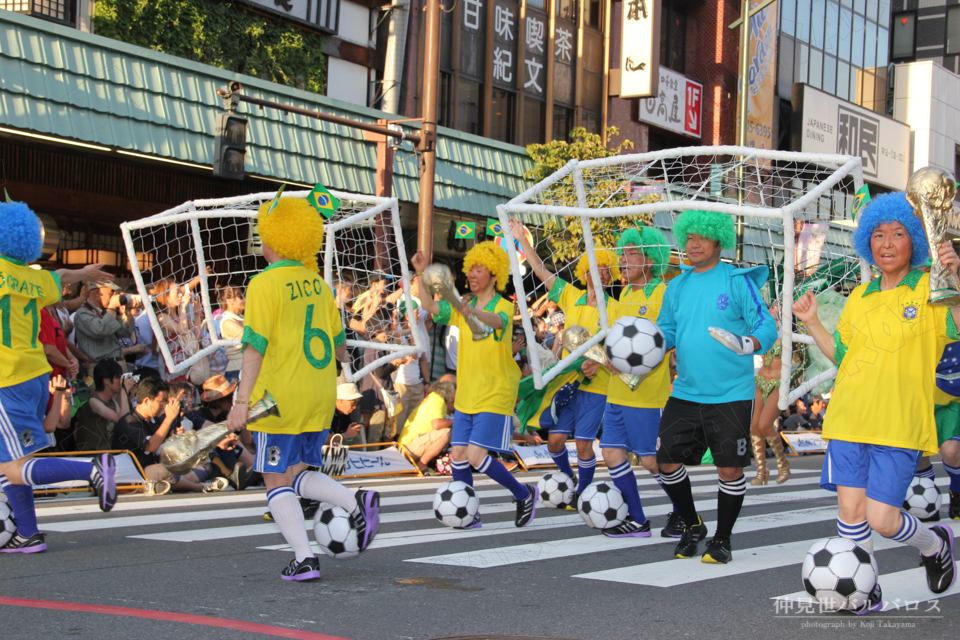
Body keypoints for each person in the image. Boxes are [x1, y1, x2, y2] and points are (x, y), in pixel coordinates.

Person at [793, 191, 960, 613]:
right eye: (879, 234)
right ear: (867, 240)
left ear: (914, 243)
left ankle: (934, 543)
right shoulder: (859, 297)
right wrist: (812, 322)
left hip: (899, 424)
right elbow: (843, 359)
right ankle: (865, 591)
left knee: (883, 520)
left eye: (898, 234)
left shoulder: (930, 287)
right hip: (849, 419)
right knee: (851, 514)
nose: (887, 243)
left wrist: (955, 283)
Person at [225, 195, 380, 582]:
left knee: (275, 480)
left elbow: (254, 346)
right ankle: (354, 501)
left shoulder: (263, 284)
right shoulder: (319, 284)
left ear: (273, 238)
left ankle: (304, 557)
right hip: (319, 394)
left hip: (278, 399)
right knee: (295, 473)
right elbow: (342, 349)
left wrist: (241, 402)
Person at [654, 209, 777, 565]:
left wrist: (749, 343)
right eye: (688, 237)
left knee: (729, 470)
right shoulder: (677, 285)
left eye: (701, 237)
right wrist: (644, 348)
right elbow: (668, 331)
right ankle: (693, 525)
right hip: (686, 391)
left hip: (731, 394)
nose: (693, 244)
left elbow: (765, 324)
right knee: (666, 461)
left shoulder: (738, 280)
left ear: (717, 240)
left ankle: (722, 539)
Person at [0, 199, 119, 553]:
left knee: (14, 465)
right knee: (12, 460)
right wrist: (85, 273)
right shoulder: (33, 279)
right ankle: (28, 533)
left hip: (6, 378)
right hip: (34, 376)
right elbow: (61, 278)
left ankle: (92, 470)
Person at [412, 242, 537, 529]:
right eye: (471, 269)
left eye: (479, 269)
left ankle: (523, 493)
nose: (473, 274)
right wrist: (420, 274)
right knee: (457, 456)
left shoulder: (503, 305)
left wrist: (471, 313)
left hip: (495, 393)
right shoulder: (462, 304)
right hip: (467, 394)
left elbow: (496, 322)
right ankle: (469, 512)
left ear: (495, 276)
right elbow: (429, 305)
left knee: (476, 456)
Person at [511, 218, 619, 503]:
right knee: (555, 442)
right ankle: (569, 478)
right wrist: (522, 239)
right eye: (597, 269)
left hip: (598, 385)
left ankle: (582, 492)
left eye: (608, 271)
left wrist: (594, 357)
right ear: (585, 273)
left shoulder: (618, 309)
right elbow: (541, 270)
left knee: (584, 443)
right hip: (567, 383)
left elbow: (617, 354)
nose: (602, 275)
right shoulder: (571, 295)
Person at [598, 226, 682, 538]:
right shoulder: (623, 296)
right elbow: (613, 343)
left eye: (632, 253)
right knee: (611, 453)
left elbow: (661, 344)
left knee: (650, 460)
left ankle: (684, 512)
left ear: (650, 259)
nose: (624, 259)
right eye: (624, 253)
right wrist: (602, 357)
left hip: (647, 393)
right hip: (616, 391)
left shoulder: (664, 294)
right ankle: (637, 519)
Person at [113, 378, 229, 494]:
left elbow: (162, 442)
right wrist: (169, 418)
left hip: (152, 467)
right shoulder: (129, 422)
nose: (164, 406)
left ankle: (161, 486)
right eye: (162, 402)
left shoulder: (152, 420)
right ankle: (200, 487)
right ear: (147, 400)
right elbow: (151, 446)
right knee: (166, 470)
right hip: (133, 472)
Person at [749, 305, 793, 485]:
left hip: (777, 383)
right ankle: (762, 471)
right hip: (760, 380)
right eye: (772, 308)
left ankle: (783, 465)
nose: (772, 311)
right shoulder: (764, 330)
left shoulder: (791, 335)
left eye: (776, 309)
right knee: (753, 426)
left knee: (765, 424)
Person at [73, 281, 138, 371]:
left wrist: (128, 311)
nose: (114, 296)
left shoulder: (105, 312)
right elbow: (101, 330)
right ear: (97, 292)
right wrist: (111, 308)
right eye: (111, 293)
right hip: (101, 369)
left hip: (118, 364)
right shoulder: (83, 314)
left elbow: (124, 333)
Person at [74, 360, 132, 451]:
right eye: (118, 378)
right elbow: (121, 420)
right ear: (106, 381)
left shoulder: (112, 401)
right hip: (91, 454)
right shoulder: (93, 401)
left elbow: (126, 420)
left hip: (108, 453)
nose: (121, 381)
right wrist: (124, 390)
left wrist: (131, 396)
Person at [399, 378, 455, 472]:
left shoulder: (434, 397)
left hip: (409, 445)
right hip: (408, 447)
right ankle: (421, 464)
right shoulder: (437, 399)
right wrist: (457, 421)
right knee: (447, 432)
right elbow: (436, 424)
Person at [217, 285, 245, 382]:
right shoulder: (227, 322)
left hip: (249, 366)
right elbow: (251, 337)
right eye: (240, 295)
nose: (244, 298)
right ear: (229, 301)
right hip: (237, 371)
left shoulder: (242, 317)